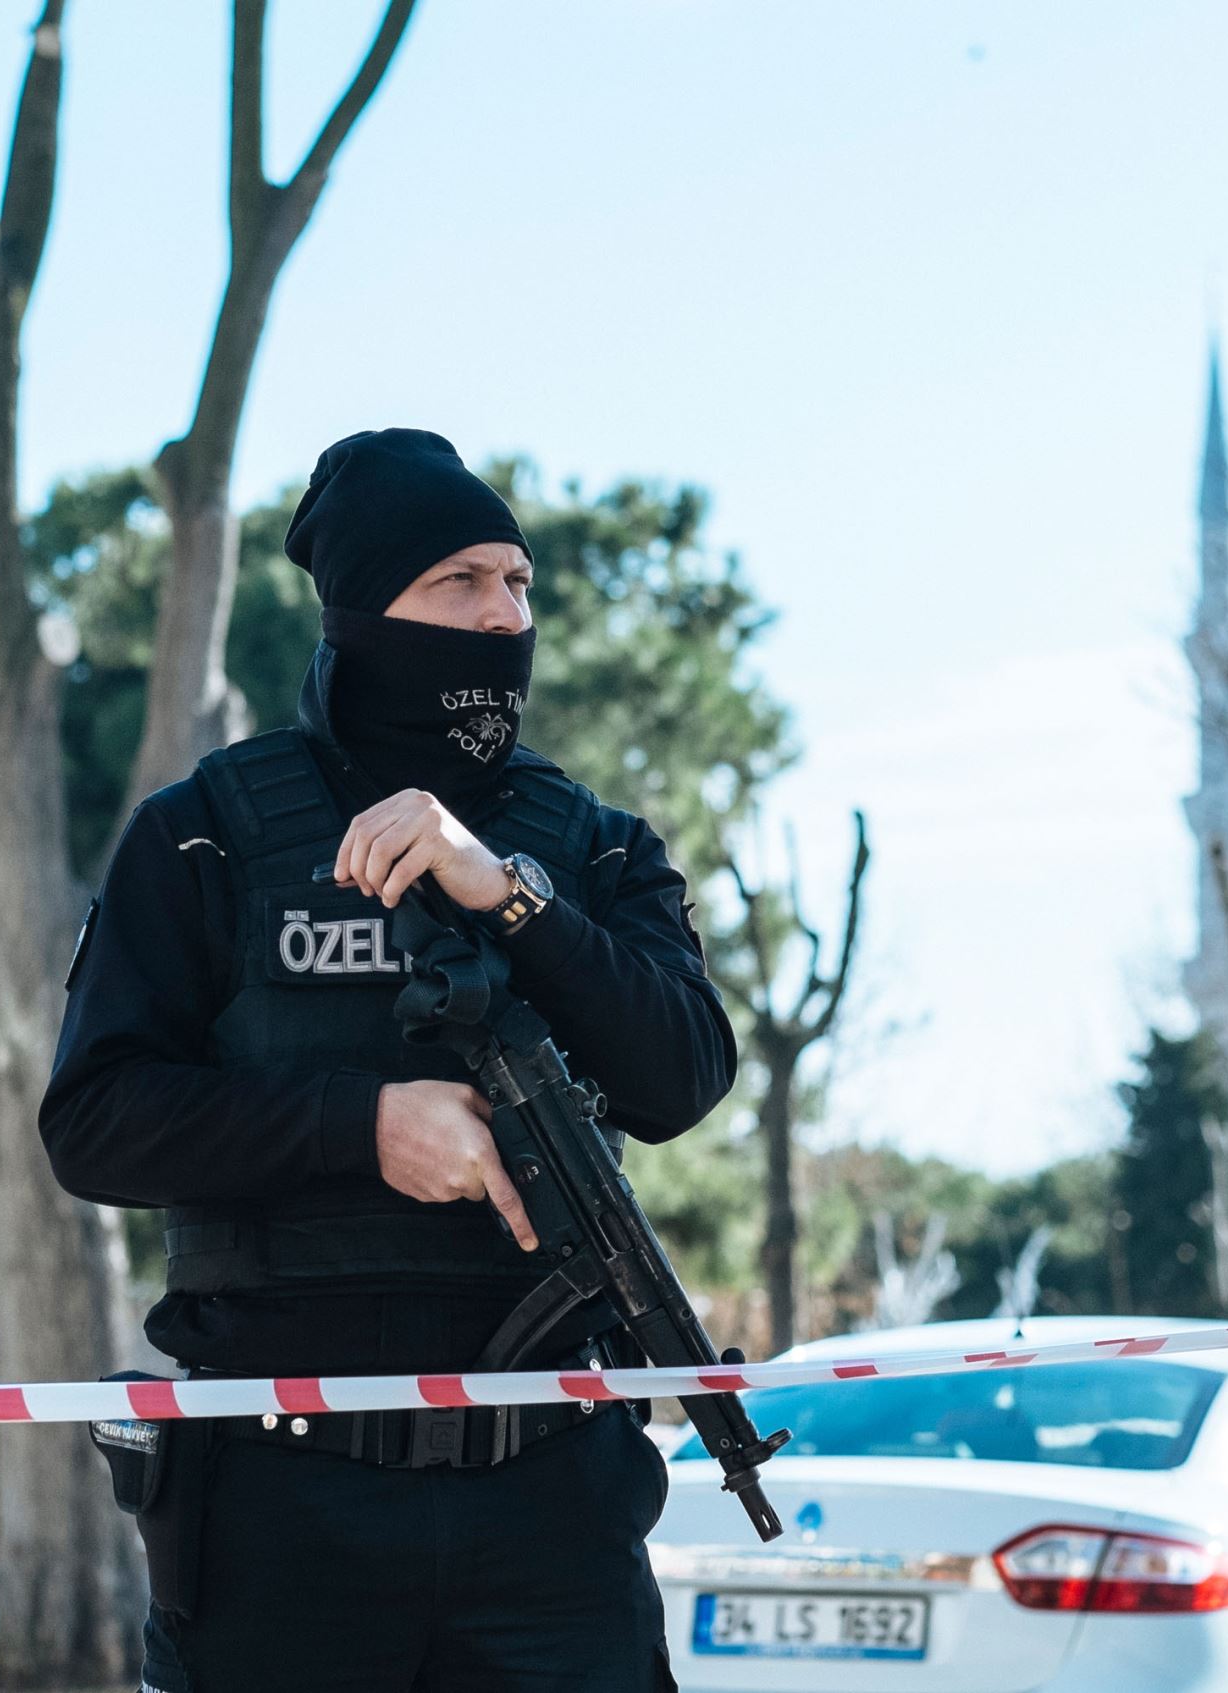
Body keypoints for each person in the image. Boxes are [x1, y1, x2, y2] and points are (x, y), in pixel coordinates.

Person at [40, 428, 735, 1693]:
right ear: (365, 609)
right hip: (279, 1507)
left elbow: (681, 1077)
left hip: (551, 1509)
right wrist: (360, 1126)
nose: (499, 616)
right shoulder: (201, 838)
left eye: (516, 584)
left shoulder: (589, 847)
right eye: (457, 584)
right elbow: (94, 1120)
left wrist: (513, 899)